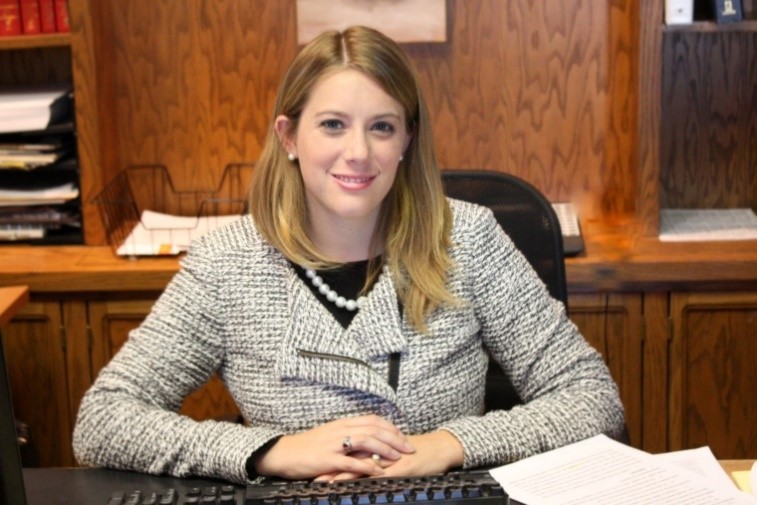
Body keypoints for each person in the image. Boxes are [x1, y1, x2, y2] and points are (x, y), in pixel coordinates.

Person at [73, 25, 625, 484]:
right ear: (289, 137)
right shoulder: (226, 262)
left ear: (406, 140)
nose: (358, 153)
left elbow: (592, 399)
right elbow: (102, 421)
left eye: (382, 127)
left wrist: (450, 443)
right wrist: (271, 450)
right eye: (333, 124)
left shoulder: (469, 238)